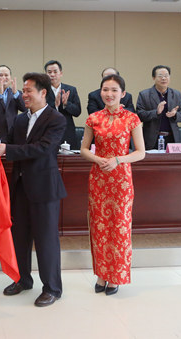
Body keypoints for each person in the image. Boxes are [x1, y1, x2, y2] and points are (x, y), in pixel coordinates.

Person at [0, 72, 66, 307]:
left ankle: (52, 288)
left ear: (43, 92)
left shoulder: (56, 119)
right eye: (23, 91)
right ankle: (22, 280)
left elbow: (43, 148)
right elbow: (10, 141)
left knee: (46, 240)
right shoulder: (21, 119)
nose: (24, 95)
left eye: (28, 90)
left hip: (44, 188)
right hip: (20, 187)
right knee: (19, 238)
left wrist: (7, 149)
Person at [80, 74, 145, 296]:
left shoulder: (132, 118)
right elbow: (84, 149)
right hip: (98, 178)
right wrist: (98, 159)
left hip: (121, 180)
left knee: (119, 227)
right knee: (99, 226)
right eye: (105, 90)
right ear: (100, 92)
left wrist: (118, 159)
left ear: (123, 94)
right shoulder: (93, 118)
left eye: (114, 90)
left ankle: (116, 276)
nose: (109, 94)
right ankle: (101, 275)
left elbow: (140, 152)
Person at [136, 65, 181, 149]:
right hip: (152, 139)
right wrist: (156, 112)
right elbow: (139, 115)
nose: (163, 78)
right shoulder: (144, 94)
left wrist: (175, 114)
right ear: (153, 78)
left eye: (166, 76)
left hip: (172, 138)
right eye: (160, 76)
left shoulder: (176, 94)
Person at [43, 60, 81, 149]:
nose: (52, 75)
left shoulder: (71, 90)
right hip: (47, 131)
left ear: (61, 73)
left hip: (67, 132)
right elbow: (39, 111)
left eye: (55, 72)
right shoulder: (42, 91)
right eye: (49, 72)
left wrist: (66, 104)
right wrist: (55, 105)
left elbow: (77, 112)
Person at [0, 64, 27, 142]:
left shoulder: (16, 93)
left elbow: (25, 109)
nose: (4, 78)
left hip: (13, 135)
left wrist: (16, 94)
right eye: (0, 75)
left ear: (10, 77)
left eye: (6, 75)